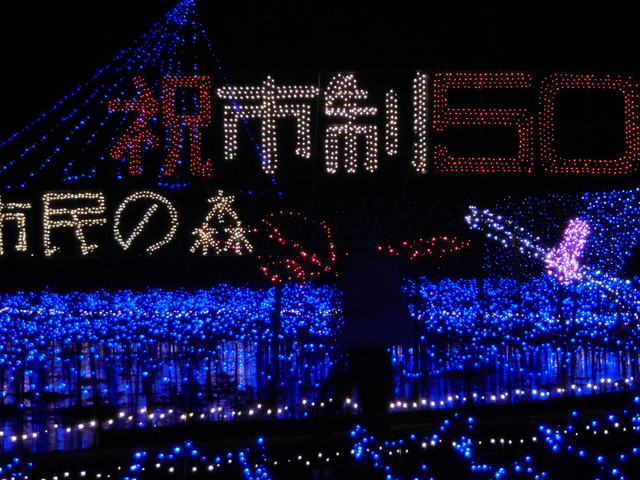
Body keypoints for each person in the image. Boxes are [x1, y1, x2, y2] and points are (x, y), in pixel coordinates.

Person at [335, 228, 414, 434]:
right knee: (376, 381)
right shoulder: (381, 266)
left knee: (368, 381)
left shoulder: (354, 268)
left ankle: (374, 425)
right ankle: (378, 424)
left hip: (362, 337)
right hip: (376, 336)